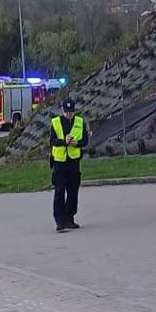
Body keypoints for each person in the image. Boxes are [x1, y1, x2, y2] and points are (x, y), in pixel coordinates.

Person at [49, 99, 87, 232]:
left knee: (73, 191)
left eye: (71, 112)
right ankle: (60, 221)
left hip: (74, 161)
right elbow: (52, 141)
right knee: (59, 191)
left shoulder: (80, 122)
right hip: (59, 161)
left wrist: (77, 143)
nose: (69, 114)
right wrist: (64, 141)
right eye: (66, 112)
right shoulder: (56, 122)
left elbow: (85, 140)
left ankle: (70, 218)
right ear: (62, 111)